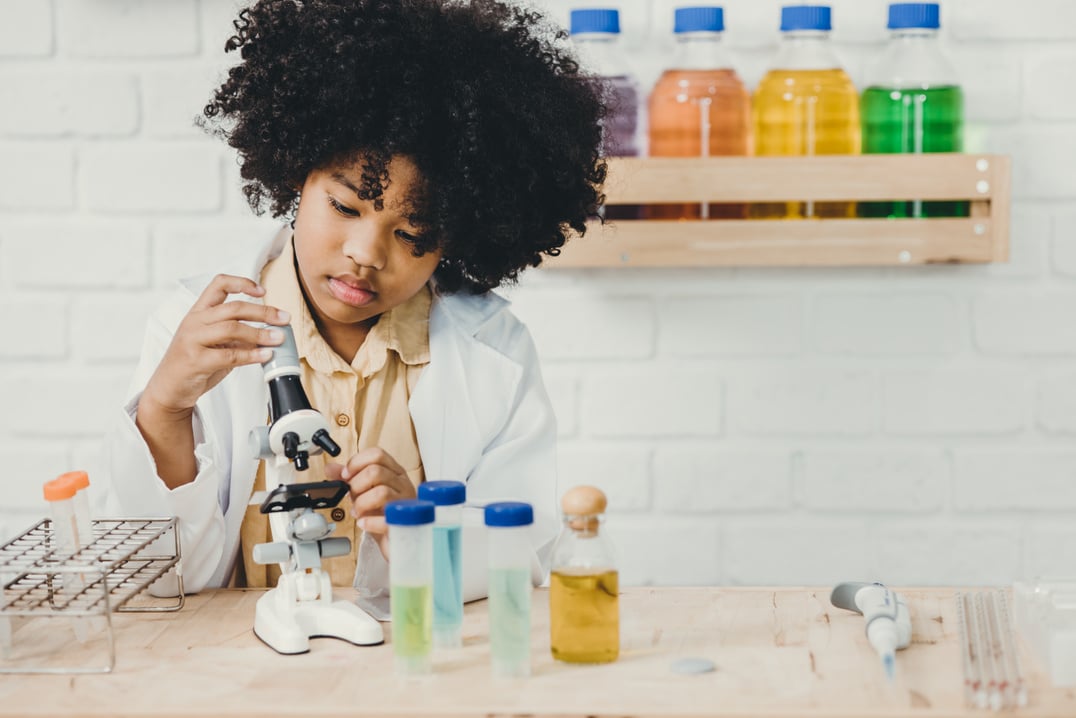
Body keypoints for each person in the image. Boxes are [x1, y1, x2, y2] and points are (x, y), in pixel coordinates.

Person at [97, 0, 606, 615]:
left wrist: (419, 526)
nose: (366, 254)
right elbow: (156, 580)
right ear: (296, 172)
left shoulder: (495, 352)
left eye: (413, 236)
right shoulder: (194, 326)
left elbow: (518, 557)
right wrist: (164, 407)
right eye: (344, 207)